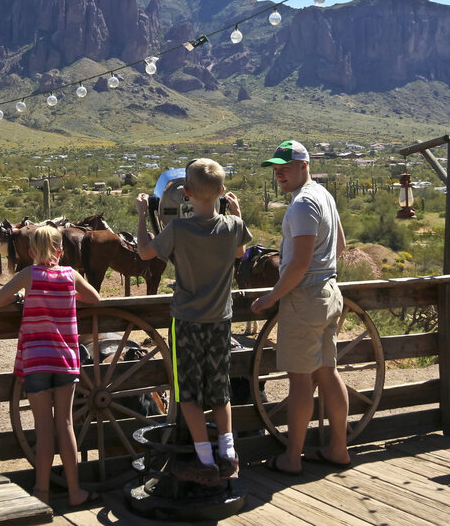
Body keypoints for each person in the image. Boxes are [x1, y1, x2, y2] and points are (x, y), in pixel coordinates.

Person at [135, 158, 252, 486]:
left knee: (188, 394)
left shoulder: (178, 230)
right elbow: (242, 252)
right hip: (220, 322)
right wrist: (236, 212)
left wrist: (143, 214)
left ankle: (204, 460)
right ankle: (229, 456)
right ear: (223, 192)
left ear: (186, 193)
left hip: (186, 321)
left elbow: (145, 252)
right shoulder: (232, 227)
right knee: (219, 391)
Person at [251, 140, 349, 475]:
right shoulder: (324, 196)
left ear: (304, 165)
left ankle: (292, 458)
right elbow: (341, 244)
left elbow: (299, 264)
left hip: (305, 297)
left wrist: (272, 297)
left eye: (286, 167)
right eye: (276, 168)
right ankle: (338, 448)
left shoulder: (303, 204)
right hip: (329, 293)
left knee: (300, 380)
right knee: (327, 371)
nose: (279, 173)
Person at [0, 225, 101, 507]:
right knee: (65, 424)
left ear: (30, 252)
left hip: (37, 361)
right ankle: (75, 491)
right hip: (65, 361)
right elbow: (96, 299)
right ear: (61, 251)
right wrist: (70, 295)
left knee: (42, 427)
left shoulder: (28, 275)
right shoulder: (70, 275)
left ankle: (42, 492)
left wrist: (18, 298)